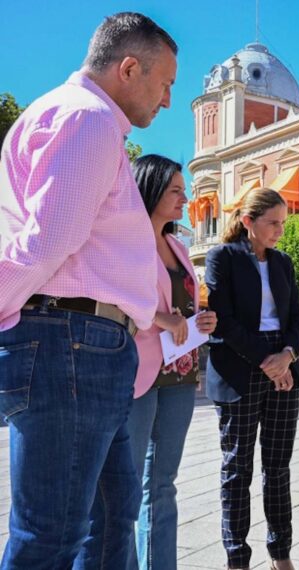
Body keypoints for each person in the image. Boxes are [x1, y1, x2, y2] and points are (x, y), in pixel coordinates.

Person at [0, 13, 176, 569]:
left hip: (82, 344)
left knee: (110, 517)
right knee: (53, 534)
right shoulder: (88, 118)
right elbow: (46, 240)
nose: (168, 101)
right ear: (129, 68)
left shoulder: (83, 119)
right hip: (73, 343)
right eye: (165, 83)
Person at [120, 155, 216, 569]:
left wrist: (202, 320)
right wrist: (161, 318)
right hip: (137, 371)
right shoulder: (125, 239)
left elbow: (184, 304)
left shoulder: (178, 245)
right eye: (176, 190)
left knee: (163, 484)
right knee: (125, 485)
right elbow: (115, 296)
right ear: (151, 188)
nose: (185, 198)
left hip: (180, 373)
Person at [205, 187, 299, 570]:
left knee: (278, 467)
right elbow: (223, 320)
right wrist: (267, 361)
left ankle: (281, 555)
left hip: (282, 362)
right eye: (273, 223)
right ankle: (237, 559)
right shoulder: (223, 257)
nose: (280, 230)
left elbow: (297, 316)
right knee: (237, 469)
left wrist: (287, 356)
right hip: (239, 366)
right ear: (248, 221)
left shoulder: (283, 262)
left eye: (283, 223)